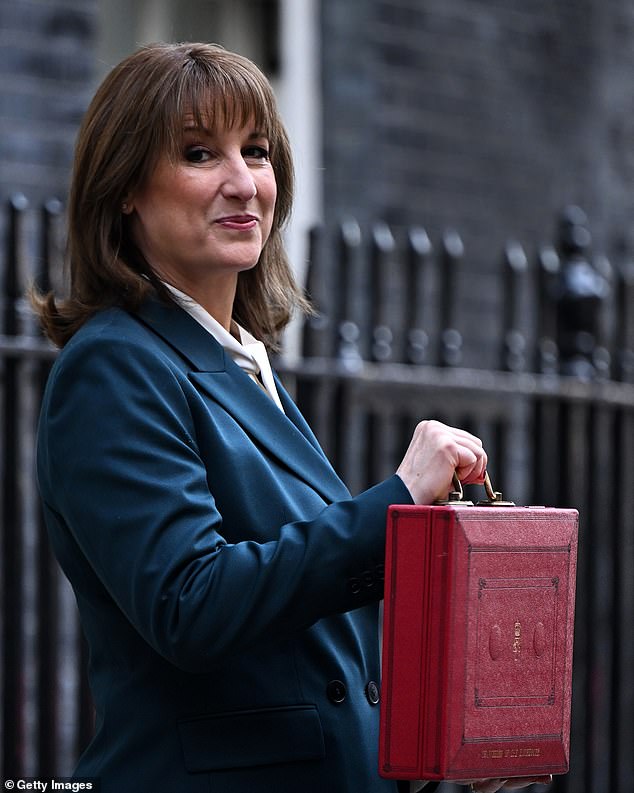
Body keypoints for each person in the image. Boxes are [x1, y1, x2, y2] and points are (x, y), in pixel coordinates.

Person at [32, 42, 551, 793]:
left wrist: (438, 758)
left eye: (258, 152)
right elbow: (192, 604)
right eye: (200, 153)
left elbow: (313, 654)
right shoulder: (114, 364)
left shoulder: (246, 361)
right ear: (124, 188)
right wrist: (396, 500)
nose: (243, 183)